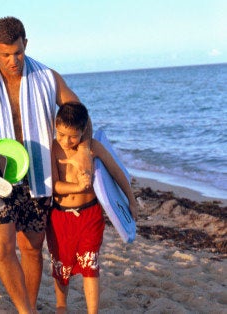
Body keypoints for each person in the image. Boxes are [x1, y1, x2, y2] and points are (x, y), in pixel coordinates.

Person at [0, 17, 91, 313]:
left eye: (18, 52)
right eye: (6, 55)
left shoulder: (46, 76)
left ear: (25, 44)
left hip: (38, 176)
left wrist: (83, 152)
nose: (13, 60)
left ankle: (28, 305)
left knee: (31, 248)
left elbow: (79, 113)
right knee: (3, 249)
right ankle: (25, 310)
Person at [47, 102, 138, 313]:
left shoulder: (93, 148)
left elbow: (117, 173)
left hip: (90, 214)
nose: (66, 141)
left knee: (90, 264)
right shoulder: (53, 148)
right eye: (61, 134)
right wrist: (79, 186)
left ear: (83, 131)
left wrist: (131, 200)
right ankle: (61, 307)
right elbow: (54, 186)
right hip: (60, 216)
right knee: (61, 265)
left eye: (73, 136)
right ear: (55, 126)